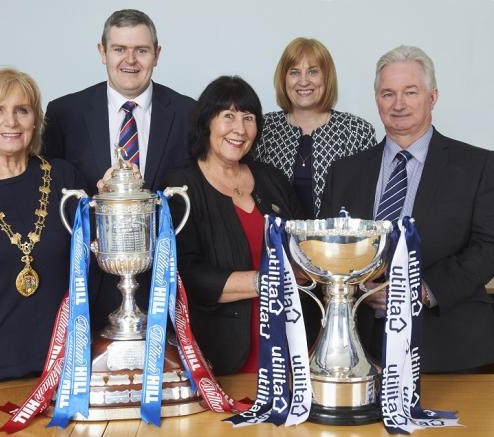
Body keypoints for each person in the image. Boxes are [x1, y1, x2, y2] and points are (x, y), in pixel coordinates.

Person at [320, 45, 494, 372]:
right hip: (361, 353)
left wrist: (419, 291)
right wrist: (356, 287)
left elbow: (489, 247)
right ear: (377, 100)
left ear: (433, 97)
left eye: (410, 92)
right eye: (388, 94)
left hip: (451, 352)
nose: (398, 104)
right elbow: (329, 250)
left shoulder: (480, 166)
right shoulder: (344, 172)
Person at [42, 9, 195, 327]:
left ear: (157, 54)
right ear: (102, 52)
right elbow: (48, 200)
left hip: (167, 286)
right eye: (119, 49)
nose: (131, 60)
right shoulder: (63, 114)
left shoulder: (189, 114)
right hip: (88, 288)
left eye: (141, 50)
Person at [0, 67, 85, 388]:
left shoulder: (65, 178)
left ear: (35, 119)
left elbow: (91, 259)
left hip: (57, 366)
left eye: (22, 110)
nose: (11, 121)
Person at [165, 76, 306, 375]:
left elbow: (304, 248)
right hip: (220, 356)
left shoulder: (273, 180)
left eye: (248, 118)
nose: (239, 129)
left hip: (289, 349)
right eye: (228, 116)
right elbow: (184, 274)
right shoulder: (180, 186)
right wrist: (265, 282)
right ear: (206, 123)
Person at [254, 37, 376, 218]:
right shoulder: (264, 129)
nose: (303, 81)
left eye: (313, 72)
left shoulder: (356, 131)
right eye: (294, 72)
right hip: (275, 242)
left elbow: (370, 201)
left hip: (339, 244)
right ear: (284, 79)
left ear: (327, 77)